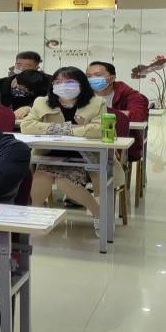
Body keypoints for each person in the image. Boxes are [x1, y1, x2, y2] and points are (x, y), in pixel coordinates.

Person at [21, 67, 105, 227]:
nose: (64, 86)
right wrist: (69, 128)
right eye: (58, 82)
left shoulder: (96, 103)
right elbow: (27, 126)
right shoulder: (41, 102)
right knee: (40, 178)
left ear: (82, 84)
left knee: (64, 182)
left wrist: (51, 128)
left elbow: (98, 129)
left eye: (70, 82)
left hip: (86, 156)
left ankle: (98, 213)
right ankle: (34, 215)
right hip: (50, 153)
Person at [87, 59, 149, 160]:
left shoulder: (128, 93)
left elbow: (138, 116)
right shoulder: (83, 94)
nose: (92, 79)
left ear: (112, 78)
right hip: (89, 140)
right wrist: (122, 114)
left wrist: (102, 114)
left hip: (120, 142)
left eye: (98, 75)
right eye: (88, 76)